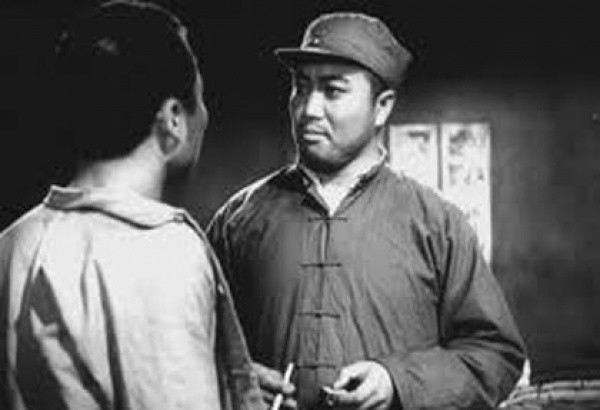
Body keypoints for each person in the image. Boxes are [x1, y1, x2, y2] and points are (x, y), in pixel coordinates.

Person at [207, 12, 526, 410]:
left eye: (333, 90)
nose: (308, 108)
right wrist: (233, 377)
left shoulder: (437, 224)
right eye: (301, 86)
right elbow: (191, 343)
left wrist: (397, 382)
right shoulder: (238, 219)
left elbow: (495, 355)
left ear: (382, 107)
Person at [0, 1, 264, 409]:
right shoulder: (166, 253)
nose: (206, 115)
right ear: (172, 120)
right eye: (200, 98)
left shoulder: (12, 244)